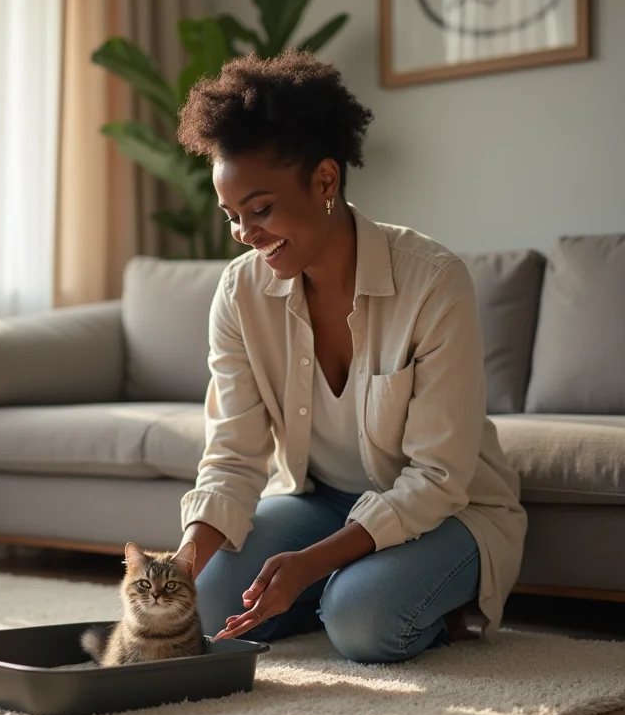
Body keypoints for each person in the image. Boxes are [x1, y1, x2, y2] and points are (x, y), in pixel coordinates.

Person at [175, 50, 526, 664]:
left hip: (450, 510)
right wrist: (183, 562)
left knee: (361, 621)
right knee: (201, 606)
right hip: (323, 503)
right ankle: (328, 589)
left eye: (260, 209)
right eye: (233, 216)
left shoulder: (433, 281)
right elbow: (233, 452)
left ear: (326, 181)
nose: (244, 234)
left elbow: (440, 476)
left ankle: (380, 598)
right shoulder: (239, 291)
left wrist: (311, 563)